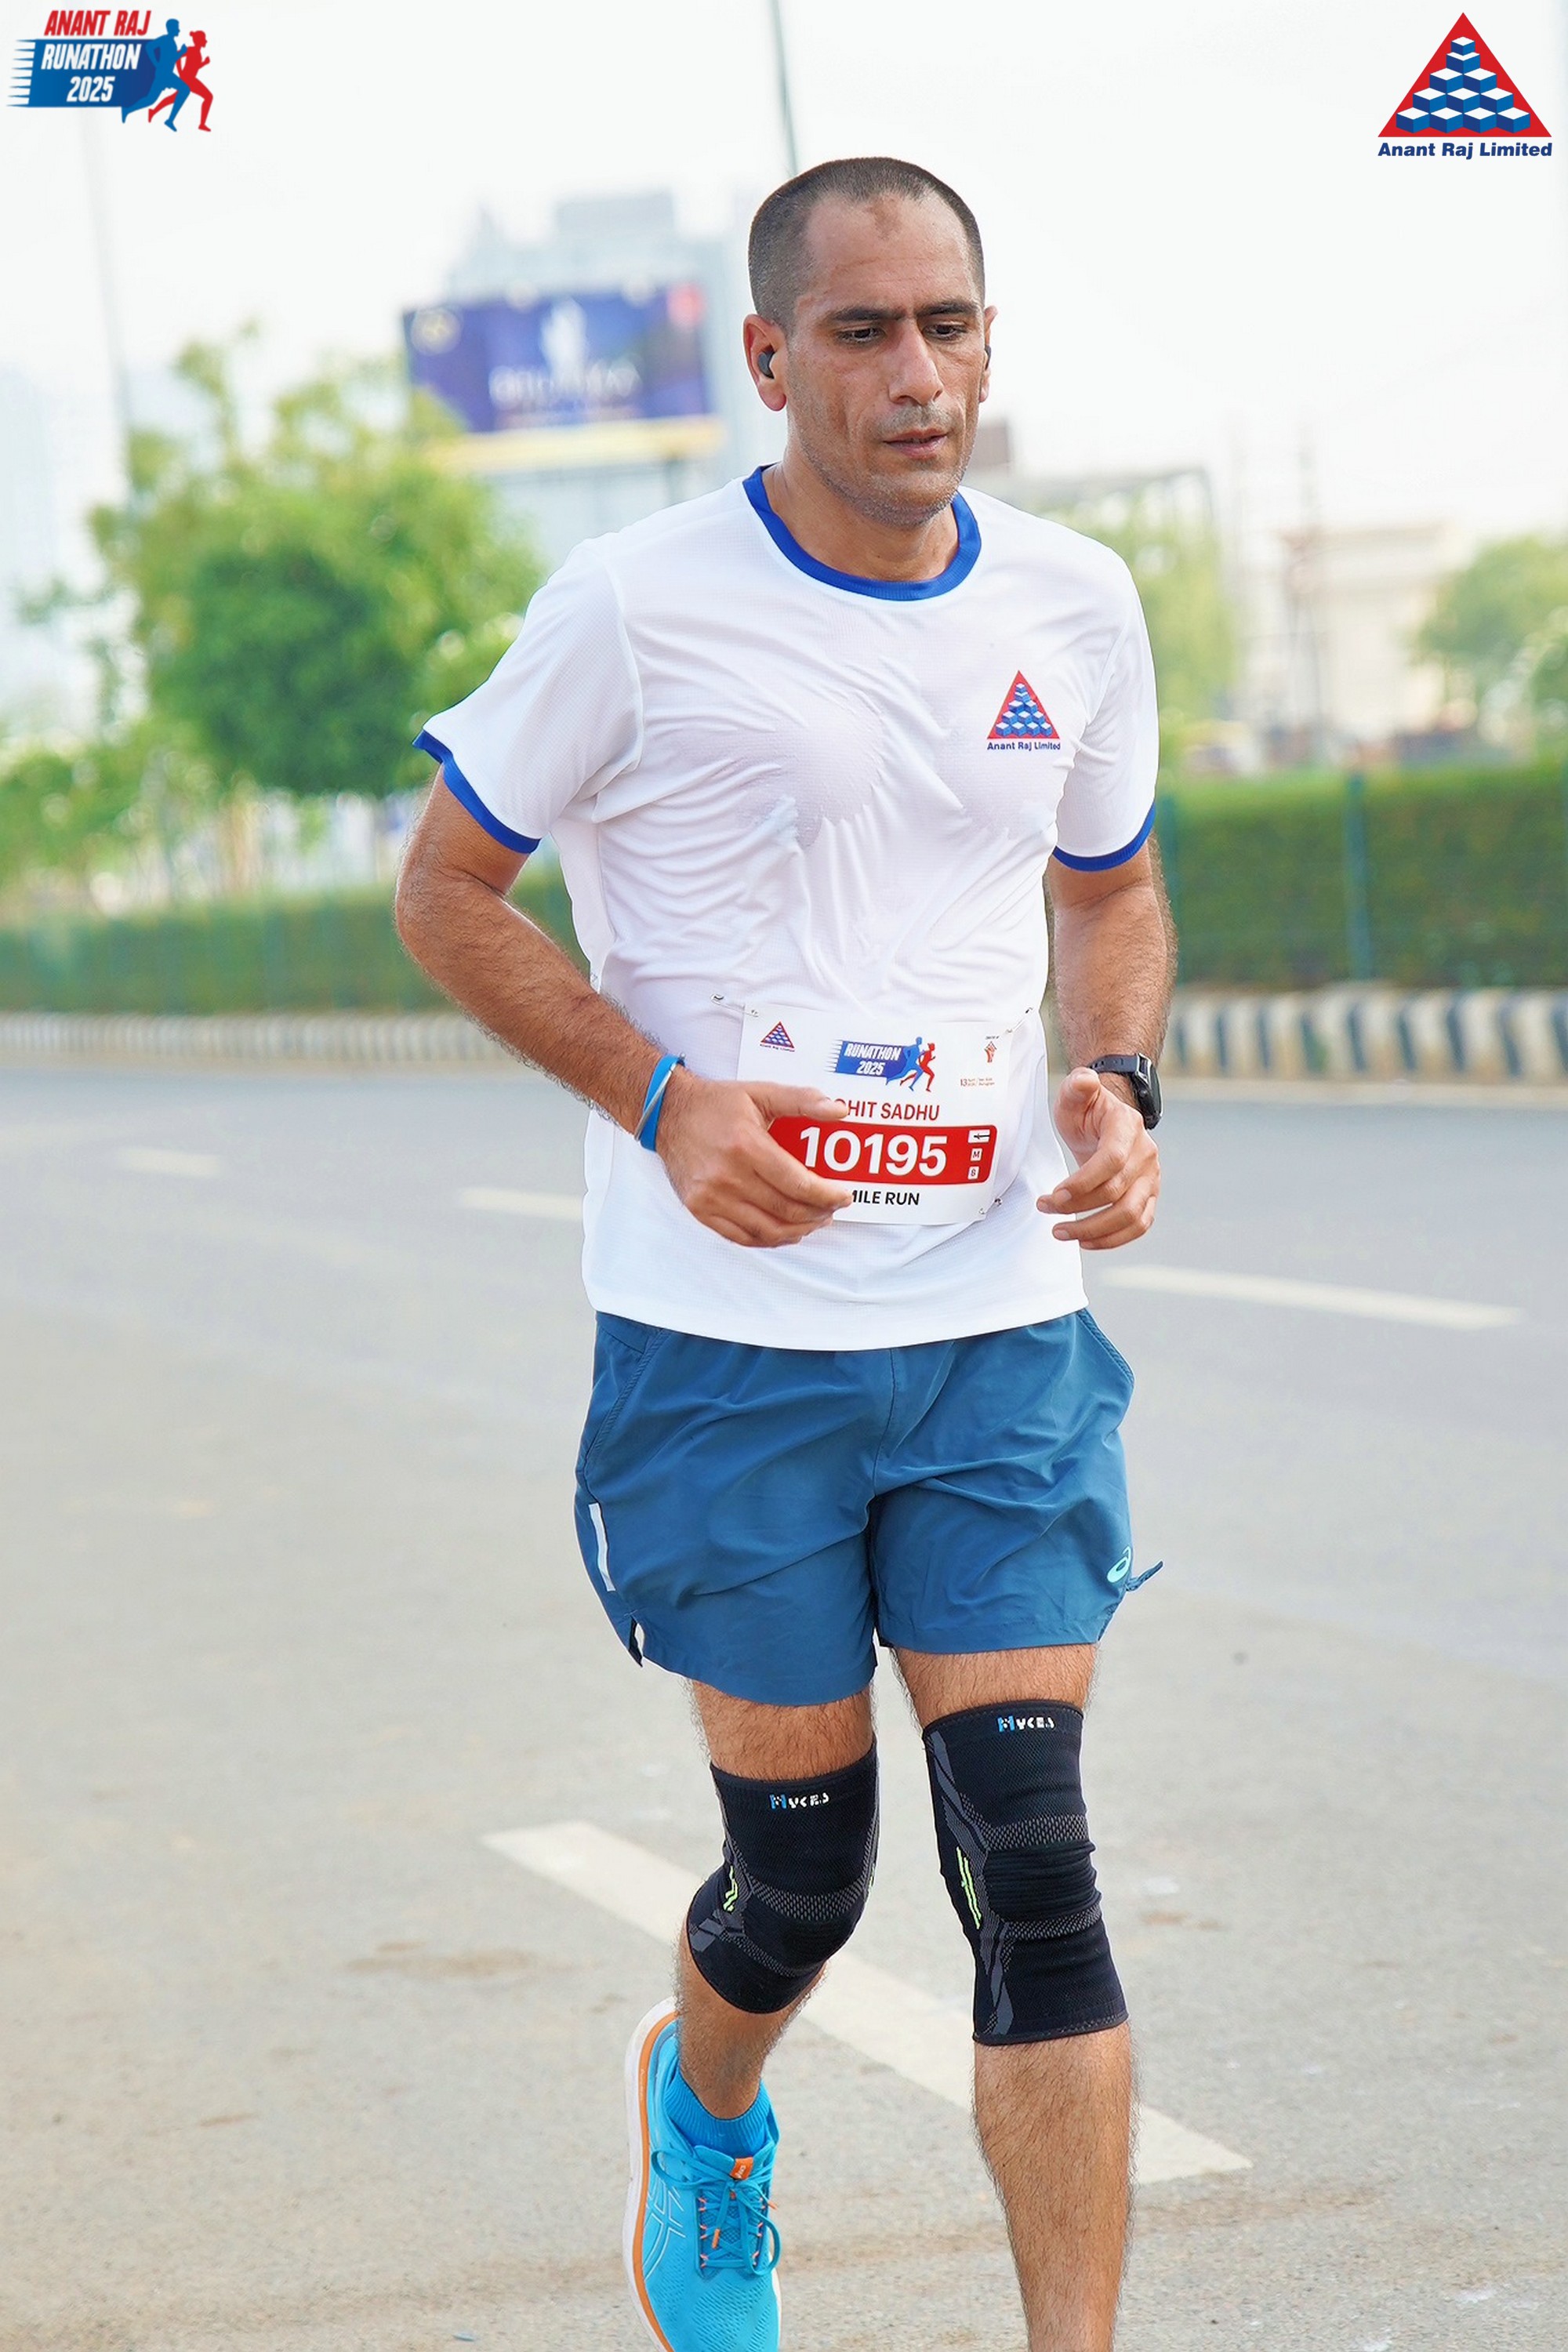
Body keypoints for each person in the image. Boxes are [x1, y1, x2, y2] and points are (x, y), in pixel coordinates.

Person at [397, 154, 1172, 2352]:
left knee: (1031, 1856)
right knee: (805, 1869)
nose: (917, 373)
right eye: (862, 331)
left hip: (996, 1321)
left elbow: (1111, 888)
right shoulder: (634, 607)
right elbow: (445, 892)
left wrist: (1120, 1081)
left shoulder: (1076, 602)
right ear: (768, 358)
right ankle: (709, 2106)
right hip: (725, 1341)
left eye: (950, 324)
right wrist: (662, 1099)